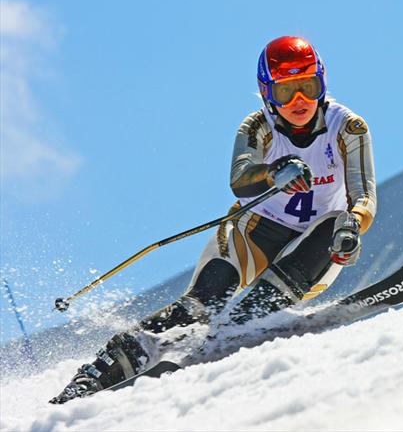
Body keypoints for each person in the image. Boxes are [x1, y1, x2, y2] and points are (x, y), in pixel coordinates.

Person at [50, 36, 377, 404]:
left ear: (323, 83)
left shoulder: (348, 127)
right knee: (200, 305)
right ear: (267, 93)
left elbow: (363, 195)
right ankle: (96, 374)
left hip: (314, 245)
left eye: (308, 87)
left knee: (337, 223)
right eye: (286, 92)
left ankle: (245, 321)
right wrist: (272, 173)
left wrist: (353, 225)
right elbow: (240, 178)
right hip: (254, 232)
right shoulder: (257, 127)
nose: (299, 102)